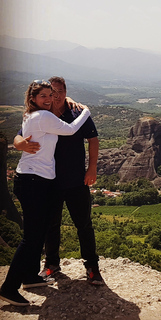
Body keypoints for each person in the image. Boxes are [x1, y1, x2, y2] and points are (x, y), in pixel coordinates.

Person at [0, 80, 91, 306]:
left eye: (51, 95)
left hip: (34, 180)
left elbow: (22, 135)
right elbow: (70, 129)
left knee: (39, 231)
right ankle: (9, 288)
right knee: (31, 237)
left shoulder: (32, 115)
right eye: (43, 96)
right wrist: (86, 110)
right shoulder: (43, 116)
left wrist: (19, 142)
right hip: (33, 181)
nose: (49, 99)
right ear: (33, 98)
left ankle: (30, 277)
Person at [13, 76, 104, 287]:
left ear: (65, 92)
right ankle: (52, 264)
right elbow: (20, 135)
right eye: (50, 92)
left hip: (76, 180)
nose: (55, 96)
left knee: (84, 224)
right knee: (50, 226)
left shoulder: (76, 112)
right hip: (48, 182)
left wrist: (92, 168)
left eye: (59, 92)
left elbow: (93, 139)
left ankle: (92, 267)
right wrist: (20, 145)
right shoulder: (41, 115)